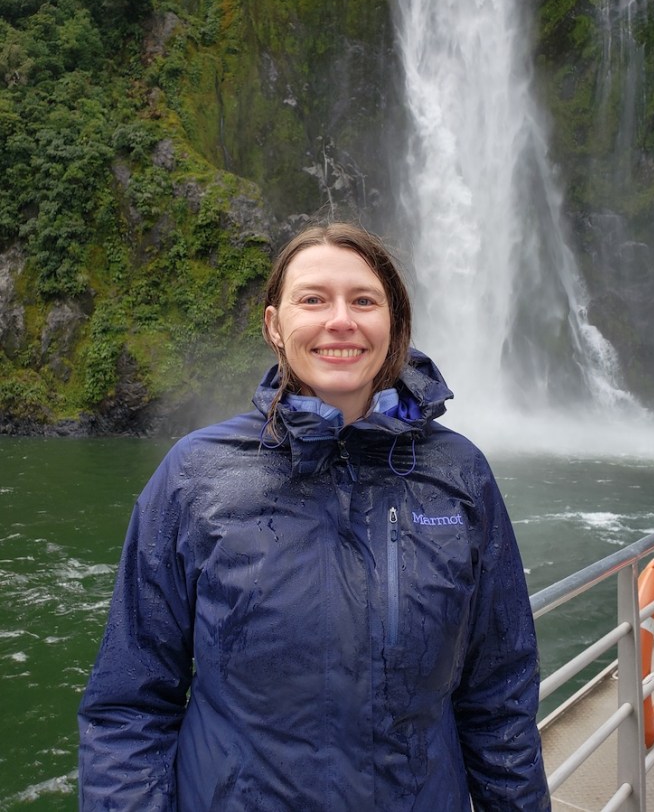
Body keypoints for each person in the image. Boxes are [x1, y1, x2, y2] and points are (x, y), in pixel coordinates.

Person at [78, 221, 550, 811]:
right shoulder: (196, 475)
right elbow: (130, 705)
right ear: (275, 325)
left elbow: (499, 698)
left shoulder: (459, 474)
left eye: (363, 301)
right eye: (313, 299)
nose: (340, 321)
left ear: (394, 323)